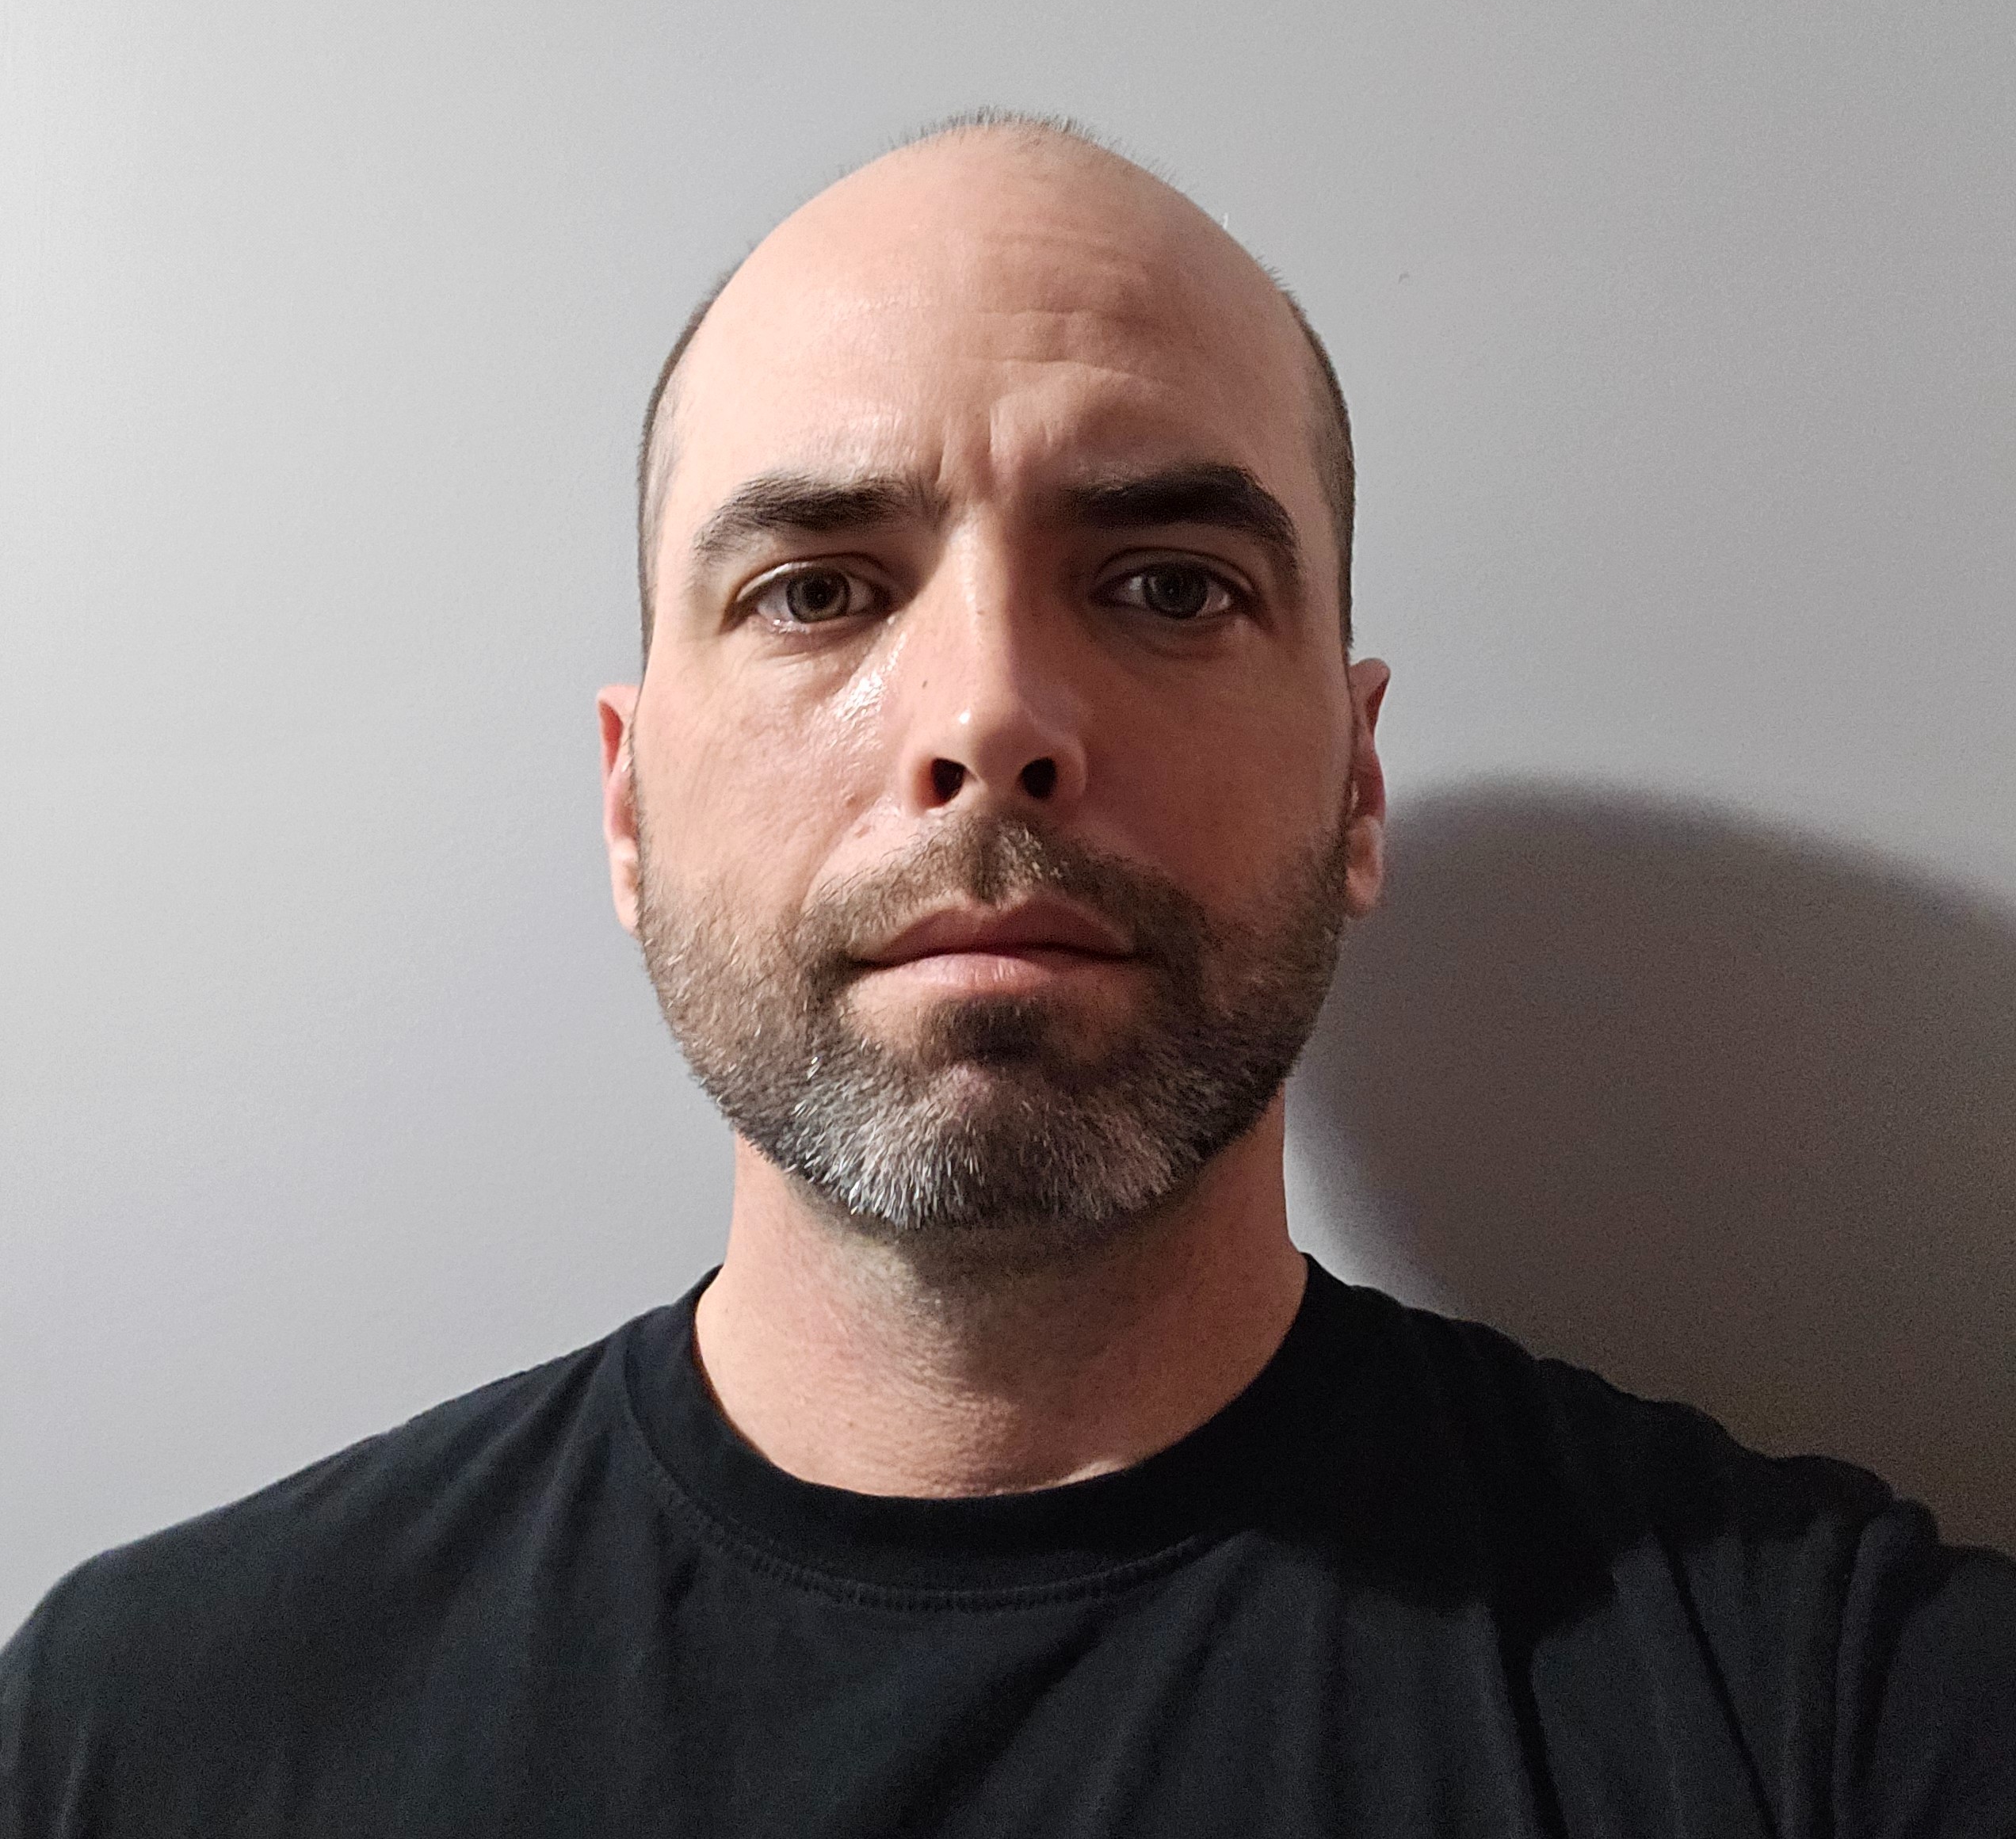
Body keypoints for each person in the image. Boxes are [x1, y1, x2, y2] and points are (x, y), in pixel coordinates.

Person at [3, 113, 2011, 1837]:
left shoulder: (1841, 1716)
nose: (991, 716)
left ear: (1355, 782)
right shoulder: (145, 1738)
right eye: (817, 590)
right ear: (628, 806)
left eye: (1169, 585)